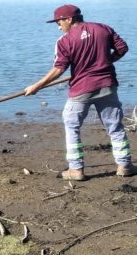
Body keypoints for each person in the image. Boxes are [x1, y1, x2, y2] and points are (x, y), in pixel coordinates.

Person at [24, 4, 133, 180]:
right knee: (115, 126)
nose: (58, 26)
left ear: (69, 19)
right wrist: (107, 61)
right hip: (107, 85)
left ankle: (76, 170)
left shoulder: (65, 41)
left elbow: (58, 69)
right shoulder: (104, 28)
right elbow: (122, 49)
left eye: (59, 22)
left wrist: (36, 86)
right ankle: (125, 165)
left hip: (81, 89)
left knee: (72, 126)